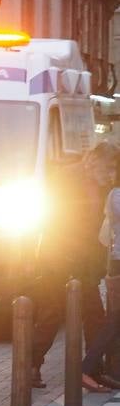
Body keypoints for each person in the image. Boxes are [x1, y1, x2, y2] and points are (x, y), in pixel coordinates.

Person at [30, 145, 111, 391]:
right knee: (51, 314)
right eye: (109, 167)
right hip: (59, 260)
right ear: (95, 161)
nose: (111, 172)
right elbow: (60, 223)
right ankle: (31, 366)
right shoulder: (69, 180)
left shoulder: (101, 184)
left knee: (94, 314)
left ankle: (92, 369)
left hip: (84, 263)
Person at [82, 147, 120, 390]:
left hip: (115, 260)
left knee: (115, 320)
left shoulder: (112, 193)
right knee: (114, 320)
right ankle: (85, 368)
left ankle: (102, 369)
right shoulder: (116, 195)